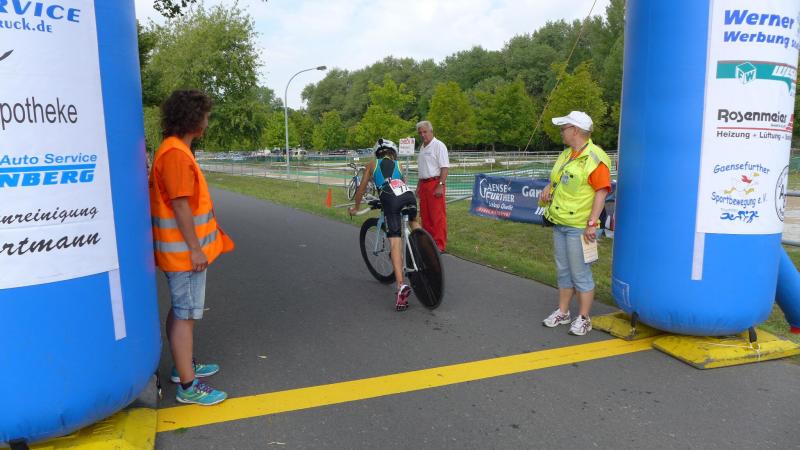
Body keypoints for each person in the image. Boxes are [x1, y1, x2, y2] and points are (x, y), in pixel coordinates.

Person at [149, 90, 235, 404]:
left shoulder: (175, 150)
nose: (208, 122)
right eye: (206, 116)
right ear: (194, 119)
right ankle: (188, 386)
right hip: (185, 255)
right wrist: (196, 249)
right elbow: (181, 205)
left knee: (181, 311)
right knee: (185, 315)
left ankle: (183, 366)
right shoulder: (175, 154)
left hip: (181, 253)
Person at [539, 111, 611, 336]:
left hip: (580, 226)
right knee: (563, 271)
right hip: (560, 221)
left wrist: (592, 223)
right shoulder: (566, 154)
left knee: (580, 273)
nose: (561, 132)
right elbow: (557, 180)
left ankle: (584, 317)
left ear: (576, 130)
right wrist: (548, 188)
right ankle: (563, 312)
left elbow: (601, 193)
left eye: (564, 128)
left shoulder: (595, 158)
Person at [349, 138, 420, 311]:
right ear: (393, 153)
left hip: (390, 198)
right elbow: (399, 183)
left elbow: (362, 188)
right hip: (408, 196)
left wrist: (356, 208)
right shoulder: (399, 165)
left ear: (377, 153)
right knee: (414, 222)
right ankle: (423, 250)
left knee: (395, 241)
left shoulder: (372, 164)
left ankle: (401, 286)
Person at [415, 120, 449, 252]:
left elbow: (444, 167)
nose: (422, 135)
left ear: (431, 131)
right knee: (425, 216)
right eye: (420, 133)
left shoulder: (438, 145)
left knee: (437, 216)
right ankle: (429, 243)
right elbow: (422, 170)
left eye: (425, 132)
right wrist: (418, 186)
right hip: (424, 185)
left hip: (435, 183)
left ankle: (439, 245)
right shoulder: (422, 148)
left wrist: (441, 185)